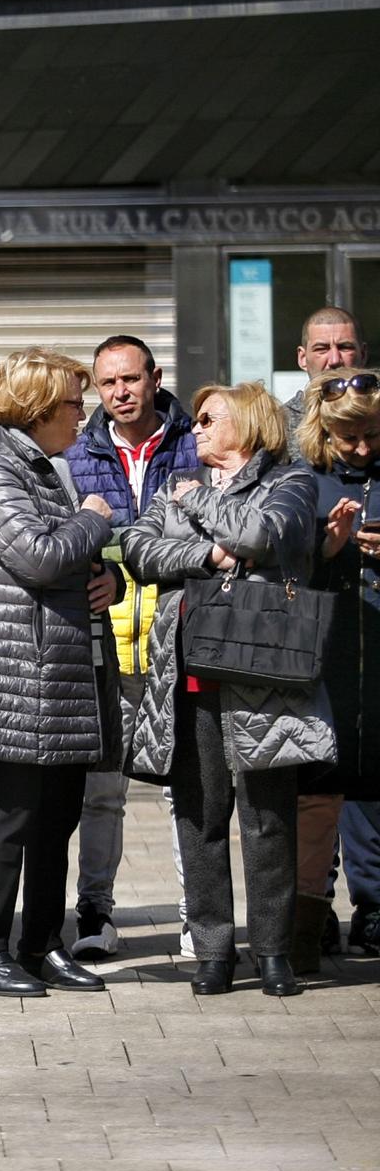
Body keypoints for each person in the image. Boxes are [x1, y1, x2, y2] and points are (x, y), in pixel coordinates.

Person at [124, 382, 328, 997]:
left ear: (250, 423)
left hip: (262, 673)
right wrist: (210, 554)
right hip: (188, 669)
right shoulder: (175, 485)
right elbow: (138, 548)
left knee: (267, 817)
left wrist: (204, 511)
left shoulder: (291, 481)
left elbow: (264, 536)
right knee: (200, 811)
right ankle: (212, 950)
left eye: (211, 418)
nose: (197, 429)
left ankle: (273, 953)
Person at [0, 348, 121, 998]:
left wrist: (109, 575)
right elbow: (41, 556)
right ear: (40, 407)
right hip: (16, 671)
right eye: (76, 401)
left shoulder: (46, 466)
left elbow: (75, 563)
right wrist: (94, 521)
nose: (85, 412)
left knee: (57, 814)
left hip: (63, 669)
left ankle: (41, 942)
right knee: (12, 812)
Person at [62, 335, 199, 960]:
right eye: (108, 383)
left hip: (181, 640)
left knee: (186, 789)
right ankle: (95, 914)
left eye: (131, 379)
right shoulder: (79, 450)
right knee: (103, 790)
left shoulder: (193, 444)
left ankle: (198, 914)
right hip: (107, 647)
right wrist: (126, 557)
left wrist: (126, 559)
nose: (120, 392)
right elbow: (76, 537)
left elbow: (200, 537)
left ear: (155, 377)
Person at [297, 367, 380, 961]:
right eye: (349, 436)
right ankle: (314, 908)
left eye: (372, 434)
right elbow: (282, 565)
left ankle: (373, 908)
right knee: (319, 783)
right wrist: (328, 546)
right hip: (324, 654)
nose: (362, 448)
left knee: (375, 785)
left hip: (376, 654)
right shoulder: (305, 479)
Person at [284, 306, 365, 434]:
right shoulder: (277, 427)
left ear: (363, 354)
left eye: (345, 347)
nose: (334, 360)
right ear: (303, 358)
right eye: (322, 349)